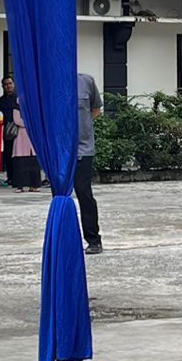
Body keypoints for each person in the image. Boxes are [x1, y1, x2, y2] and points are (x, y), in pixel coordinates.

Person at [77, 72, 105, 253]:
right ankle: (61, 239)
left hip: (83, 149)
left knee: (84, 194)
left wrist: (83, 127)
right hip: (58, 150)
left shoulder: (86, 81)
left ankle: (93, 240)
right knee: (59, 197)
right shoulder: (49, 81)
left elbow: (96, 109)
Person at [6, 99, 43, 192]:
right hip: (21, 137)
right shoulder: (17, 106)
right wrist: (30, 123)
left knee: (33, 161)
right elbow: (17, 120)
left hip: (32, 136)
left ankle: (33, 185)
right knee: (20, 161)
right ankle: (20, 186)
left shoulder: (34, 105)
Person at [0, 76, 18, 183]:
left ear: (13, 84)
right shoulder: (2, 100)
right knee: (8, 153)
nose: (8, 86)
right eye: (5, 84)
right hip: (7, 128)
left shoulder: (19, 98)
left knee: (18, 153)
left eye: (10, 83)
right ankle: (10, 177)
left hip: (19, 127)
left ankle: (19, 177)